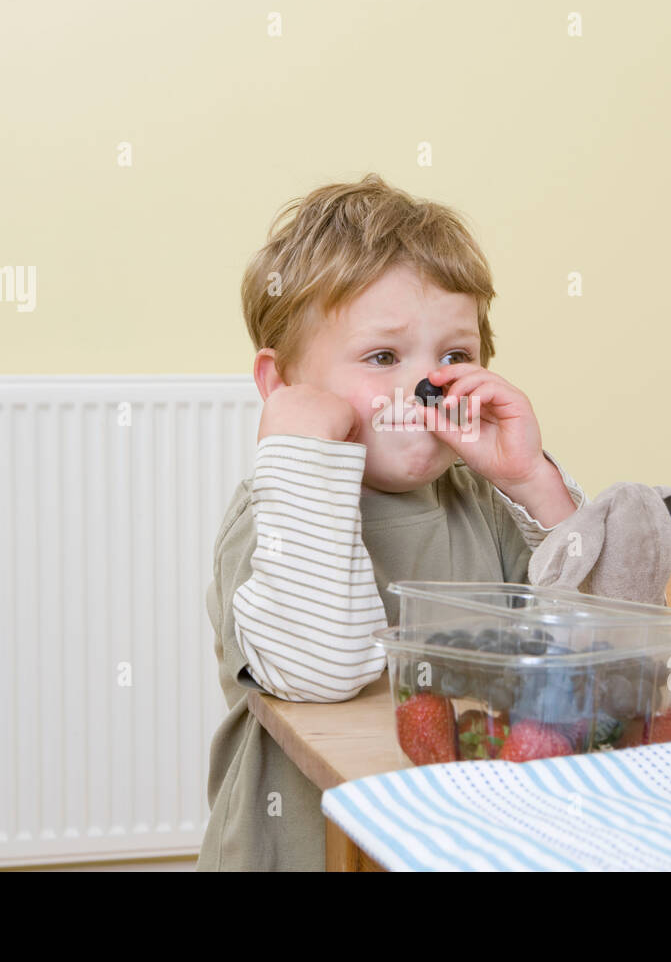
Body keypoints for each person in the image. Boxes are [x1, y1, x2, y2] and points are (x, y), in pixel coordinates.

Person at [196, 173, 589, 870]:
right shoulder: (272, 515)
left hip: (454, 840)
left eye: (455, 356)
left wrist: (534, 484)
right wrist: (304, 452)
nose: (425, 386)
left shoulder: (486, 502)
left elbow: (593, 647)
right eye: (383, 357)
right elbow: (319, 673)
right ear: (280, 384)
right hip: (306, 852)